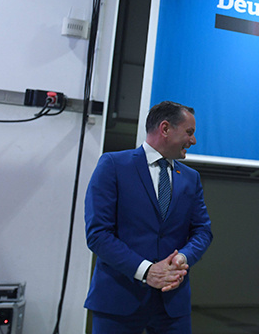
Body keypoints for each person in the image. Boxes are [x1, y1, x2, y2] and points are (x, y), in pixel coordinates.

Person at [84, 101, 213, 333]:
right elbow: (98, 234)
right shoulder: (113, 165)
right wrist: (146, 271)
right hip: (118, 300)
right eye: (189, 132)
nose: (193, 140)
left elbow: (202, 231)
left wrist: (183, 257)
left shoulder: (191, 178)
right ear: (165, 128)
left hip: (172, 305)